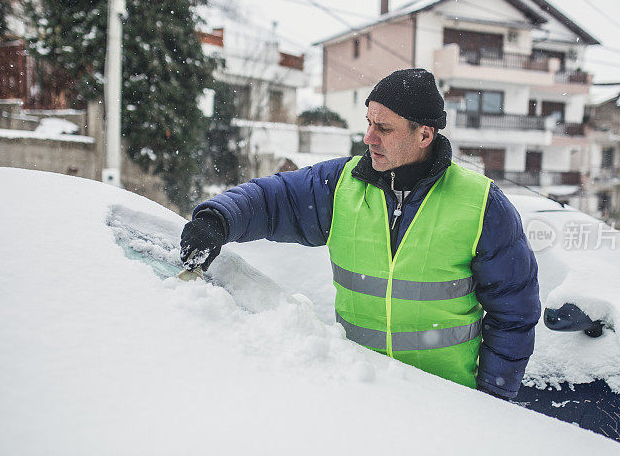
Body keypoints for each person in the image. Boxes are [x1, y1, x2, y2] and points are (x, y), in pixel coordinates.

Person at [180, 68, 540, 399]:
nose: (369, 137)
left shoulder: (481, 205)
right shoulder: (341, 185)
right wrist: (218, 219)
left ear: (424, 134)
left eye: (384, 128)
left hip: (446, 401)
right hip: (361, 390)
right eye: (368, 123)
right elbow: (275, 198)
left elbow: (514, 314)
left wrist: (492, 400)